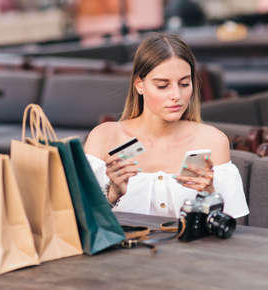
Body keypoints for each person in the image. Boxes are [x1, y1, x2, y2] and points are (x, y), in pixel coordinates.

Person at [84, 33, 249, 219]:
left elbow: (231, 227)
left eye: (184, 84)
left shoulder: (212, 141)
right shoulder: (105, 138)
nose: (176, 95)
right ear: (139, 85)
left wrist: (210, 197)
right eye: (163, 86)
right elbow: (82, 220)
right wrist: (112, 195)